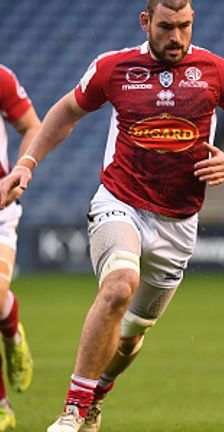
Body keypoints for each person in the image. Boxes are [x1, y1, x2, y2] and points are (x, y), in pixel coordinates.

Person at [0, 1, 224, 431]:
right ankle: (71, 413)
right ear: (146, 22)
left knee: (130, 339)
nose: (176, 37)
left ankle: (95, 398)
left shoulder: (218, 72)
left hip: (179, 222)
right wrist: (26, 164)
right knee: (119, 286)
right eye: (166, 26)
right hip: (119, 201)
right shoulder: (114, 68)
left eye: (184, 26)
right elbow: (67, 111)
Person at [0, 64, 39, 431]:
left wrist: (16, 177)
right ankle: (2, 408)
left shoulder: (1, 78)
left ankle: (12, 333)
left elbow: (32, 126)